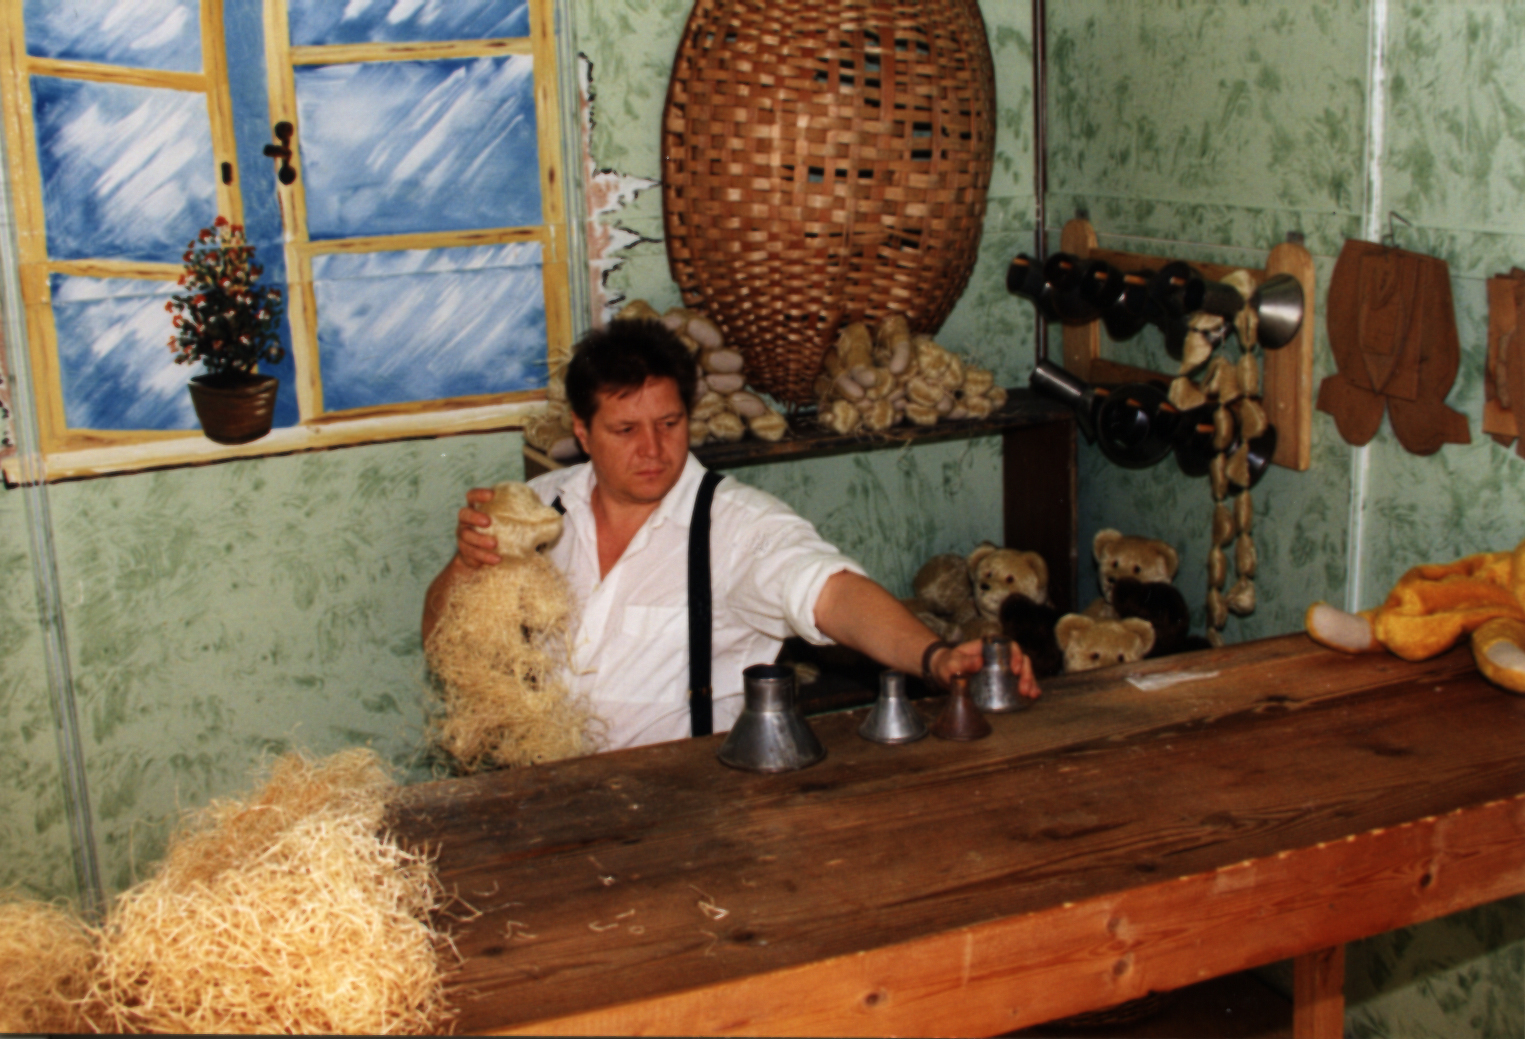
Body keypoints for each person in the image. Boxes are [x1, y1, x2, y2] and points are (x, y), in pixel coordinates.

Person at [422, 319, 1039, 750]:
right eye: (625, 430)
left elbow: (831, 592)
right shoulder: (540, 507)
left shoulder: (736, 525)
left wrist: (934, 658)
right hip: (549, 793)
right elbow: (443, 641)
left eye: (669, 423)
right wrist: (466, 567)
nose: (653, 449)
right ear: (582, 433)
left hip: (686, 810)